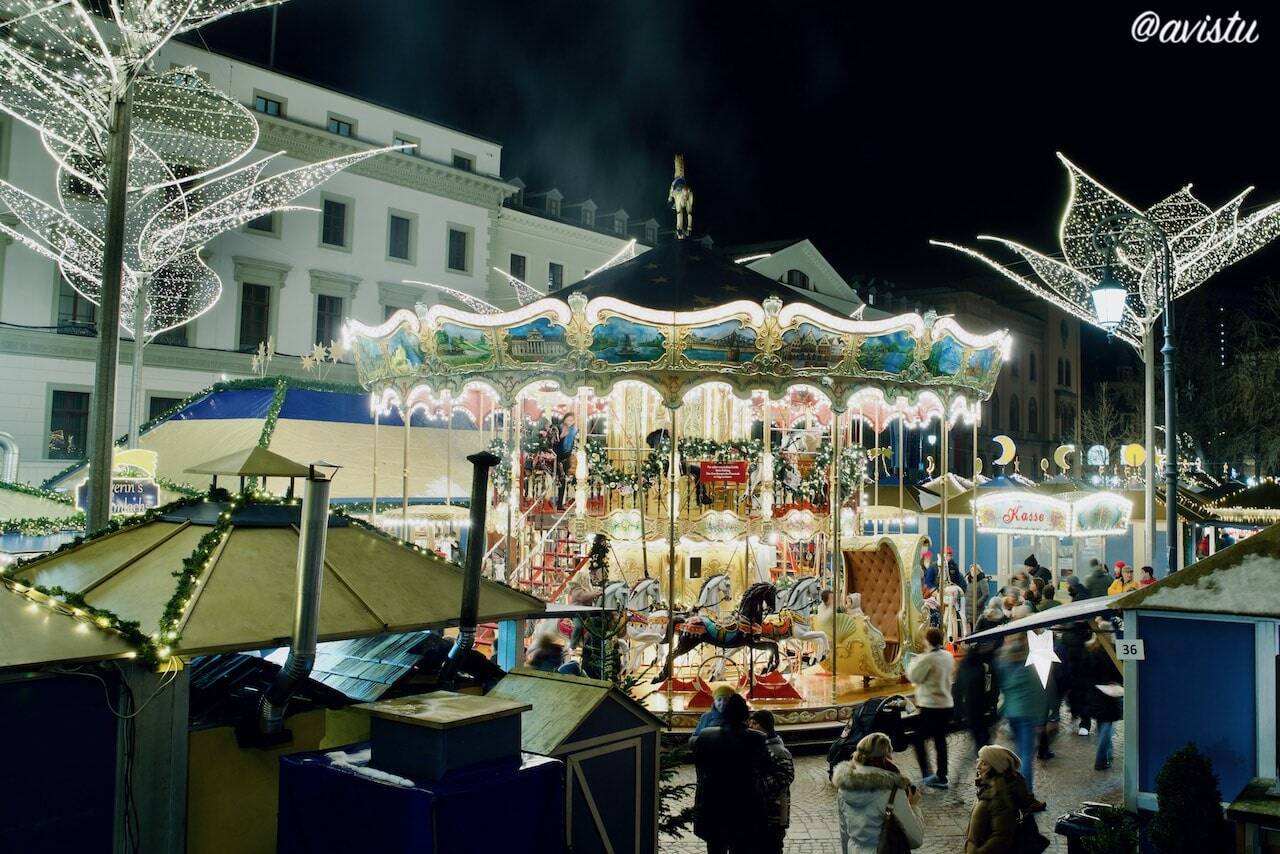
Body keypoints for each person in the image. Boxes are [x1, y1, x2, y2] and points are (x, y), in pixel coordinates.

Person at [692, 693, 773, 854]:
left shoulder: (707, 736)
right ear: (745, 715)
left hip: (713, 804)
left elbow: (700, 767)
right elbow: (766, 768)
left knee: (715, 848)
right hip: (745, 806)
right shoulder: (756, 739)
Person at [834, 732, 925, 854]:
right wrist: (913, 806)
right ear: (886, 757)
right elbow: (916, 839)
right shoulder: (892, 791)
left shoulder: (843, 789)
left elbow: (844, 833)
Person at [993, 607, 1046, 794]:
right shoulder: (1031, 661)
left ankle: (1016, 788)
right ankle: (1026, 792)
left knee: (1017, 752)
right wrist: (1042, 719)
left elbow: (1004, 687)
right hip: (1028, 713)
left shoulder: (1004, 659)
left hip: (1012, 711)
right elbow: (1039, 690)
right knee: (1025, 754)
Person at [963, 745, 1040, 854]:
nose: (978, 766)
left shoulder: (1000, 797)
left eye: (984, 763)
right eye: (979, 761)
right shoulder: (987, 789)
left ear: (996, 767)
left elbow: (1001, 837)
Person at [906, 627, 954, 788]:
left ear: (928, 641)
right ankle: (942, 775)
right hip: (946, 704)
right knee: (940, 739)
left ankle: (928, 773)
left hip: (931, 705)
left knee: (918, 740)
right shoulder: (947, 656)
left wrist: (914, 661)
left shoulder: (928, 659)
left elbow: (914, 676)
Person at [750, 710, 795, 854]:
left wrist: (757, 784)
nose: (751, 726)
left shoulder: (779, 751)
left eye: (755, 723)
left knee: (773, 847)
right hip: (758, 811)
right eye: (750, 722)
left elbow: (785, 777)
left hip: (774, 811)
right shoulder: (756, 747)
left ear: (766, 726)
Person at [1086, 619, 1124, 770]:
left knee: (1103, 725)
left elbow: (1085, 673)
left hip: (1095, 694)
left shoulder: (1090, 650)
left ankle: (1108, 754)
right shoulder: (1115, 651)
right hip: (1110, 694)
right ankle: (1101, 759)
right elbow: (1121, 673)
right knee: (1107, 726)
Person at [554, 413, 578, 509]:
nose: (570, 422)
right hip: (558, 457)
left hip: (566, 458)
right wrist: (562, 436)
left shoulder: (574, 431)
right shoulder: (559, 428)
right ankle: (558, 503)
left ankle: (562, 502)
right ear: (564, 420)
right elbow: (555, 444)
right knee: (561, 480)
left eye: (572, 420)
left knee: (564, 481)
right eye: (568, 420)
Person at [965, 564, 990, 630]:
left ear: (978, 571)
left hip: (977, 609)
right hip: (969, 608)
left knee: (978, 627)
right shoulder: (970, 580)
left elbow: (986, 594)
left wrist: (977, 603)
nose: (973, 572)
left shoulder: (982, 580)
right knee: (971, 627)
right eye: (971, 570)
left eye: (975, 570)